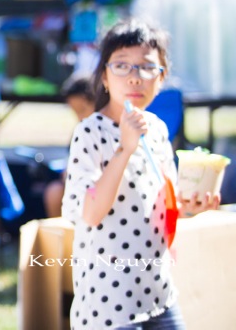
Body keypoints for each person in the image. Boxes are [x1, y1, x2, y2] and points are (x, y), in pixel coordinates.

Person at [62, 19, 219, 329]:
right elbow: (91, 213)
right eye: (122, 66)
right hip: (108, 305)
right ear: (104, 77)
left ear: (161, 78)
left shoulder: (157, 129)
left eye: (147, 67)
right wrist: (124, 149)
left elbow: (164, 208)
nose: (134, 78)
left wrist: (191, 208)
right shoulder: (90, 132)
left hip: (159, 293)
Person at [43, 75, 95, 219]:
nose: (80, 118)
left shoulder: (104, 131)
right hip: (75, 187)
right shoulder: (79, 131)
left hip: (96, 190)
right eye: (75, 112)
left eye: (83, 110)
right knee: (54, 192)